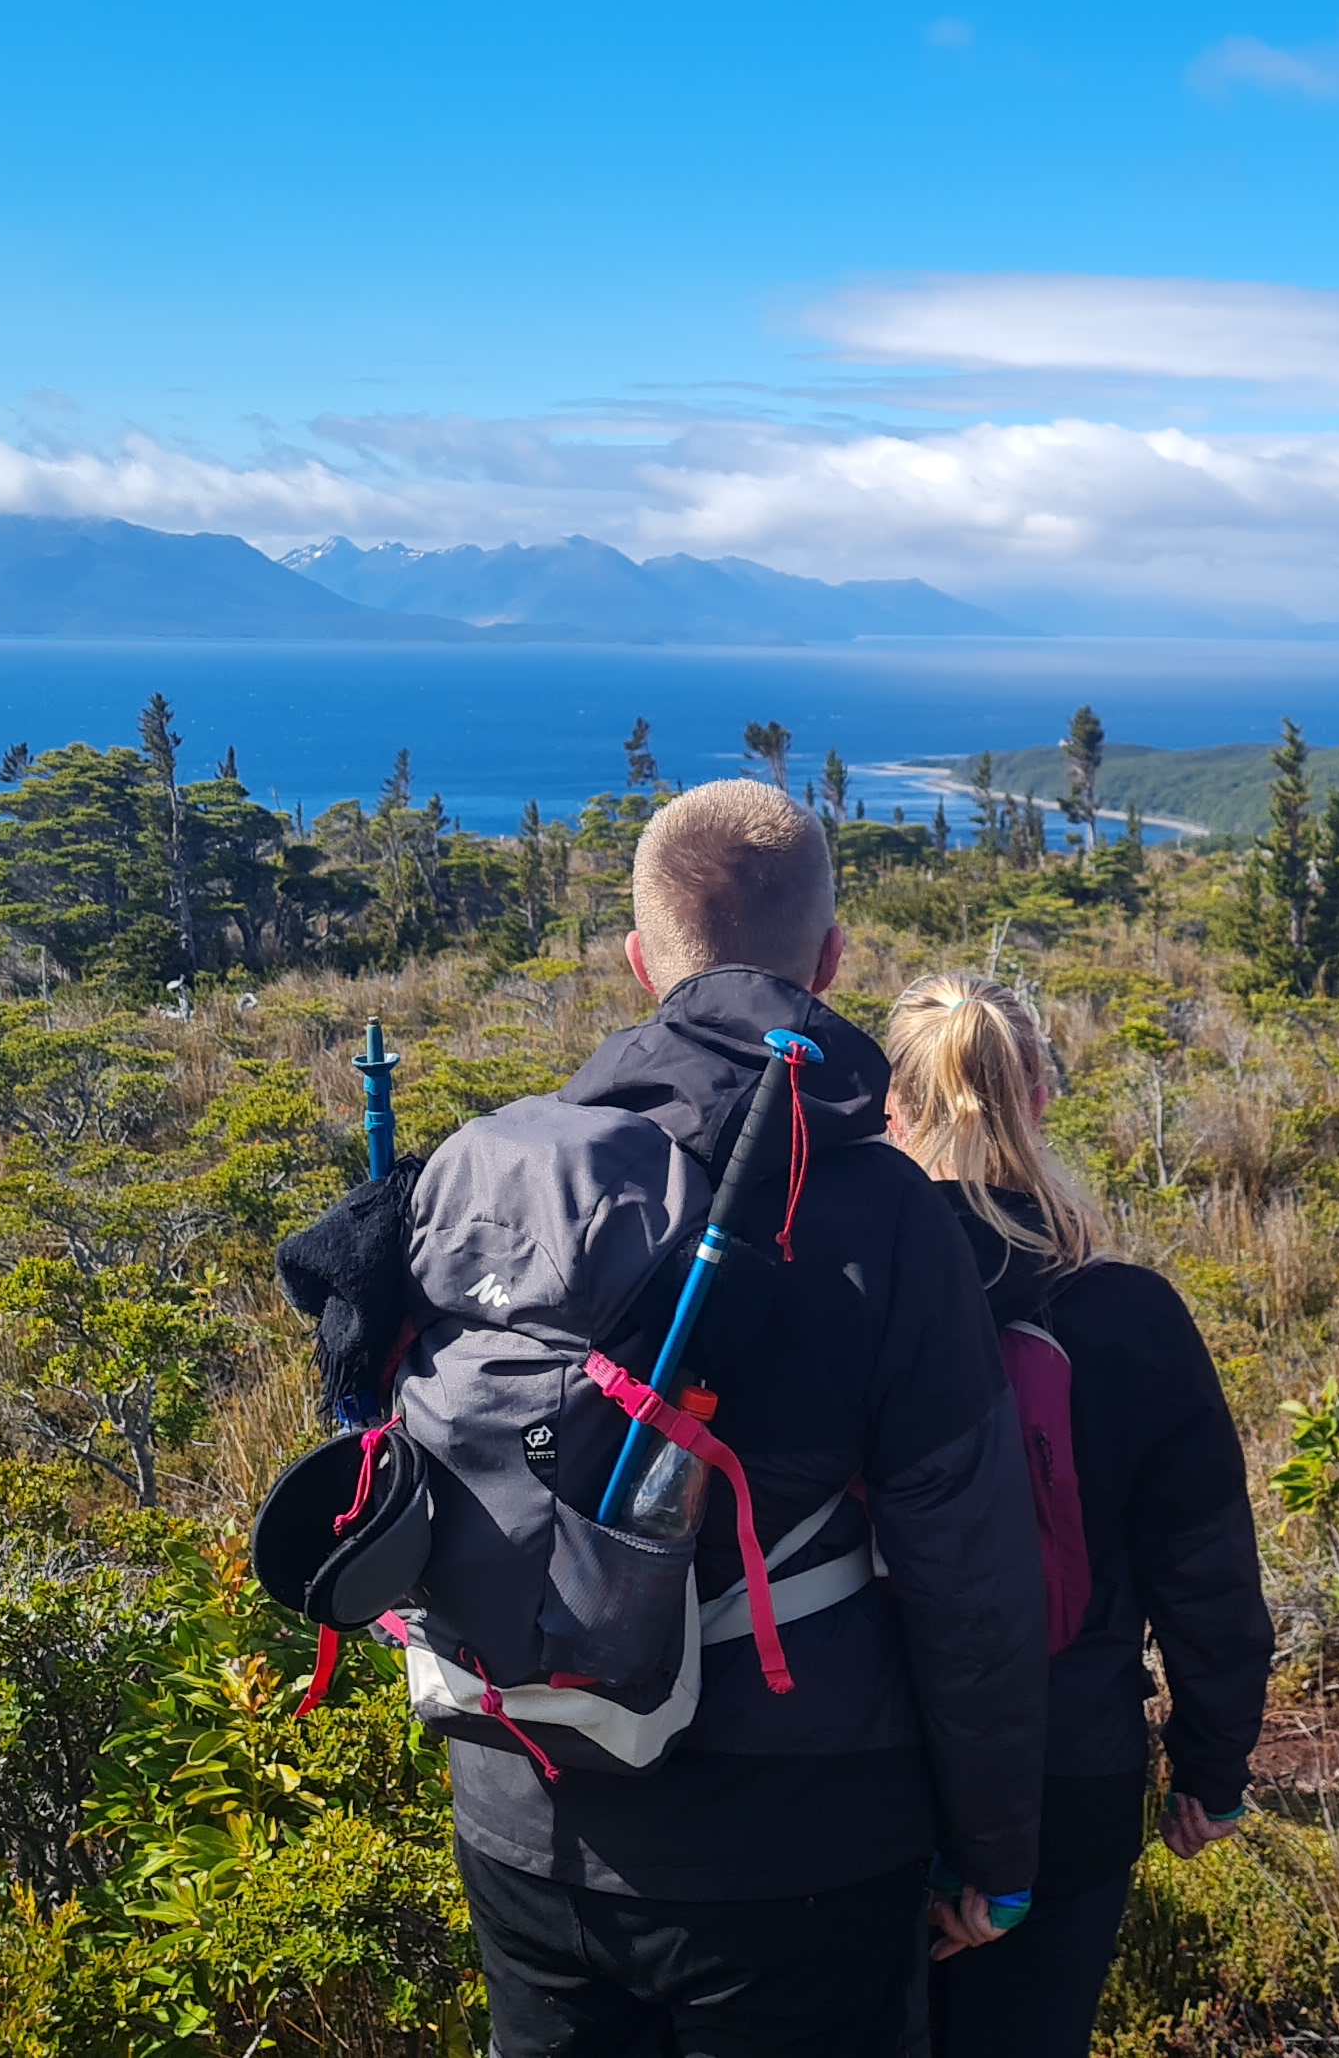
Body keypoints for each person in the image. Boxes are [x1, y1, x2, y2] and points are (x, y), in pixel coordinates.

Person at [421, 779, 1051, 2056]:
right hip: (801, 1841)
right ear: (831, 962)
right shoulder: (891, 1220)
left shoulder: (507, 1171)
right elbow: (969, 1579)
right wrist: (996, 1848)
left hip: (523, 1812)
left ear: (640, 959)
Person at [883, 975, 1275, 2057]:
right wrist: (1212, 1765)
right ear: (1043, 1094)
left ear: (894, 1111)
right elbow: (1206, 1572)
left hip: (864, 1773)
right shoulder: (1128, 1314)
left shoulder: (851, 1299)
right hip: (1074, 1768)